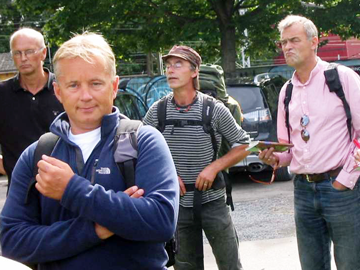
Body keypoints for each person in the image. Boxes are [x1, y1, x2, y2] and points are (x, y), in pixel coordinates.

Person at [0, 32, 179, 270]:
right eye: (73, 85)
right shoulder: (38, 155)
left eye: (95, 83)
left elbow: (161, 221)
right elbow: (11, 241)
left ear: (114, 86)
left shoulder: (143, 141)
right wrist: (95, 229)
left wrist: (70, 189)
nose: (85, 96)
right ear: (58, 91)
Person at [259, 15, 360, 270]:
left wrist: (344, 179)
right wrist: (274, 158)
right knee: (311, 265)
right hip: (302, 191)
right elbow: (287, 147)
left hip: (342, 189)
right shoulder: (286, 90)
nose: (287, 47)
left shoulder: (342, 78)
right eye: (283, 42)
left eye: (294, 40)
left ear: (314, 42)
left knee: (351, 264)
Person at [143, 45, 250, 270]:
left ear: (194, 72)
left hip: (213, 202)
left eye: (178, 64)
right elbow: (141, 150)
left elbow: (243, 144)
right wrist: (169, 176)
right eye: (168, 65)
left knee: (230, 266)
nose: (170, 70)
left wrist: (214, 167)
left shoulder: (214, 109)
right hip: (177, 205)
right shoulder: (158, 111)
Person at [0, 27, 64, 192]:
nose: (23, 58)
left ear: (43, 53)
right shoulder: (3, 94)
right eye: (17, 53)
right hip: (19, 192)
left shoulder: (64, 90)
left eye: (29, 52)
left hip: (62, 191)